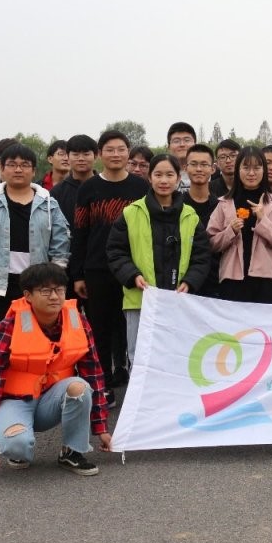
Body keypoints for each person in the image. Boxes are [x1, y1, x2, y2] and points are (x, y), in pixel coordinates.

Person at [0, 263, 111, 482]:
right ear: (28, 295)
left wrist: (101, 427)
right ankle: (18, 445)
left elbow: (93, 373)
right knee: (18, 446)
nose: (54, 296)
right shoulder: (9, 326)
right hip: (16, 401)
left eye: (59, 290)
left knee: (81, 387)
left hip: (51, 402)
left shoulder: (78, 321)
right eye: (46, 291)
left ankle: (72, 452)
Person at [0, 143, 70, 363]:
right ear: (2, 169)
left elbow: (61, 241)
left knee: (38, 337)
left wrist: (56, 273)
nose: (18, 169)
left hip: (37, 283)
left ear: (33, 170)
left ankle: (34, 379)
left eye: (25, 165)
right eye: (12, 164)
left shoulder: (49, 204)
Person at [69, 130, 150, 405]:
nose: (116, 154)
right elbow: (80, 232)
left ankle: (136, 386)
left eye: (121, 149)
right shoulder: (88, 189)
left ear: (129, 152)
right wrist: (78, 274)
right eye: (110, 149)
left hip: (133, 271)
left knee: (132, 329)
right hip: (97, 269)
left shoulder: (141, 188)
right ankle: (102, 384)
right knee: (99, 330)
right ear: (100, 154)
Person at [106, 154, 211, 360]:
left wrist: (190, 281)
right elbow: (116, 251)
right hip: (140, 300)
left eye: (170, 175)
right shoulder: (131, 213)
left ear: (178, 178)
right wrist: (132, 275)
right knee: (139, 357)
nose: (164, 181)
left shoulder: (190, 215)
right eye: (158, 175)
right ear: (150, 177)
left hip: (178, 300)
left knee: (176, 357)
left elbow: (201, 256)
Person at [207, 146, 272, 304]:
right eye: (246, 167)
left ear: (264, 170)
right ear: (238, 170)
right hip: (232, 280)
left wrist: (263, 220)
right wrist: (230, 231)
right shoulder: (225, 203)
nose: (251, 173)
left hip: (266, 281)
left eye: (257, 168)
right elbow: (211, 242)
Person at [182, 144, 221, 297]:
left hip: (216, 285)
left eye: (204, 164)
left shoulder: (221, 207)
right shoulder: (177, 205)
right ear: (185, 167)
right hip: (182, 284)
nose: (199, 169)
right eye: (194, 164)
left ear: (213, 168)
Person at [51, 134, 98, 232]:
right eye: (75, 154)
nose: (81, 158)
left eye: (86, 154)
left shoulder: (105, 186)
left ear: (96, 156)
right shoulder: (57, 192)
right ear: (68, 157)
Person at [166, 122, 197, 192]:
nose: (182, 144)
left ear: (195, 145)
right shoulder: (160, 173)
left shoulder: (208, 172)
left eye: (187, 140)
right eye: (176, 141)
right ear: (168, 147)